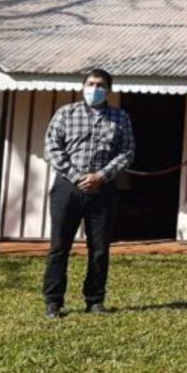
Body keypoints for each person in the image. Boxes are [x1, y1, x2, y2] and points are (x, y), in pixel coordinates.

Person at [41, 68, 135, 319]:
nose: (95, 89)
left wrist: (101, 176)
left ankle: (94, 299)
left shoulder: (120, 117)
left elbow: (127, 151)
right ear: (83, 87)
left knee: (100, 248)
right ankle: (53, 300)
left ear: (109, 90)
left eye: (101, 85)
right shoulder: (66, 113)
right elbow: (51, 147)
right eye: (91, 84)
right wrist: (75, 176)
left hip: (103, 189)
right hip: (67, 187)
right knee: (59, 246)